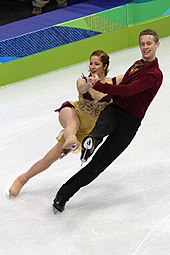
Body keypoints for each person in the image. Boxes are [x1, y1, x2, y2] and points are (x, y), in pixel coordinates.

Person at [53, 28, 163, 213]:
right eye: (142, 43)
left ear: (157, 45)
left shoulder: (154, 74)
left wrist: (99, 85)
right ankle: (91, 142)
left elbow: (128, 90)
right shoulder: (138, 64)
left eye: (149, 43)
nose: (145, 47)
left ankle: (64, 194)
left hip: (130, 122)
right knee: (101, 127)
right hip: (115, 109)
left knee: (99, 164)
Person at [9, 50, 122, 197]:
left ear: (105, 66)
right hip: (73, 112)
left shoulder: (115, 82)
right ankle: (23, 178)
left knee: (50, 158)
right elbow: (82, 88)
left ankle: (24, 177)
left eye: (97, 64)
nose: (93, 66)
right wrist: (89, 84)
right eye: (91, 63)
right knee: (72, 125)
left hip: (87, 130)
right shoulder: (82, 81)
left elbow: (133, 79)